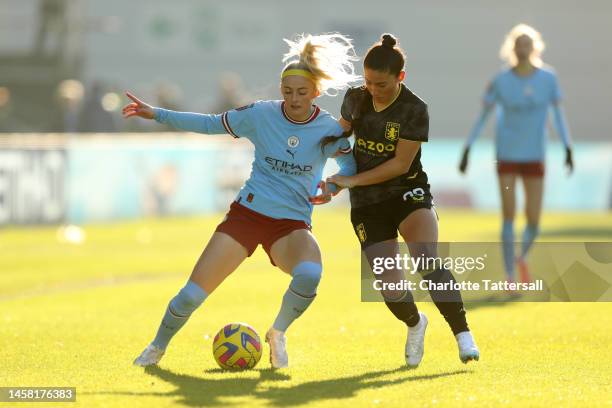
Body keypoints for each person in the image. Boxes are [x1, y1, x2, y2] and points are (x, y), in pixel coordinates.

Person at [123, 33, 359, 369]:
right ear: (281, 91)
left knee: (309, 274)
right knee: (191, 294)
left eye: (302, 92)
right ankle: (156, 349)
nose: (294, 99)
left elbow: (349, 168)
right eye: (288, 91)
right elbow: (208, 124)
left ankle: (278, 332)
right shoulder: (261, 114)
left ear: (316, 93)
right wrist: (158, 114)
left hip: (290, 225)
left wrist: (333, 186)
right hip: (247, 216)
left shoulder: (328, 129)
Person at [316, 34, 480, 367]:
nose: (372, 90)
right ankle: (416, 323)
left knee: (426, 259)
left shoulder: (415, 109)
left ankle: (463, 335)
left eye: (380, 84)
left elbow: (399, 164)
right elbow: (337, 135)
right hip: (368, 205)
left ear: (400, 77)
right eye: (367, 82)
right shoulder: (356, 99)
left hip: (408, 192)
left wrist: (349, 181)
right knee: (390, 285)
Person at [459, 24, 573, 283]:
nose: (522, 49)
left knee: (534, 219)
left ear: (535, 47)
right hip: (507, 155)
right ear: (511, 48)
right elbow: (483, 116)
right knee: (508, 216)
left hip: (535, 155)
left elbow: (558, 116)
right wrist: (468, 147)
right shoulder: (500, 80)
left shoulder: (548, 78)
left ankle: (523, 258)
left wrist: (568, 147)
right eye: (518, 44)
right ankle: (510, 274)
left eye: (527, 44)